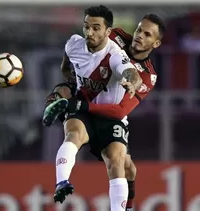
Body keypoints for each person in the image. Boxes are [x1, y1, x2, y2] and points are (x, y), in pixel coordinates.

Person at [43, 11, 166, 210]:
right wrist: (70, 86)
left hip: (110, 115)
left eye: (147, 34)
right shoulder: (114, 36)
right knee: (74, 134)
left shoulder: (147, 76)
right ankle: (61, 182)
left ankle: (128, 204)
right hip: (85, 107)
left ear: (156, 44)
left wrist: (130, 82)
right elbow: (78, 56)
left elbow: (119, 111)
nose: (139, 36)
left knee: (127, 167)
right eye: (139, 30)